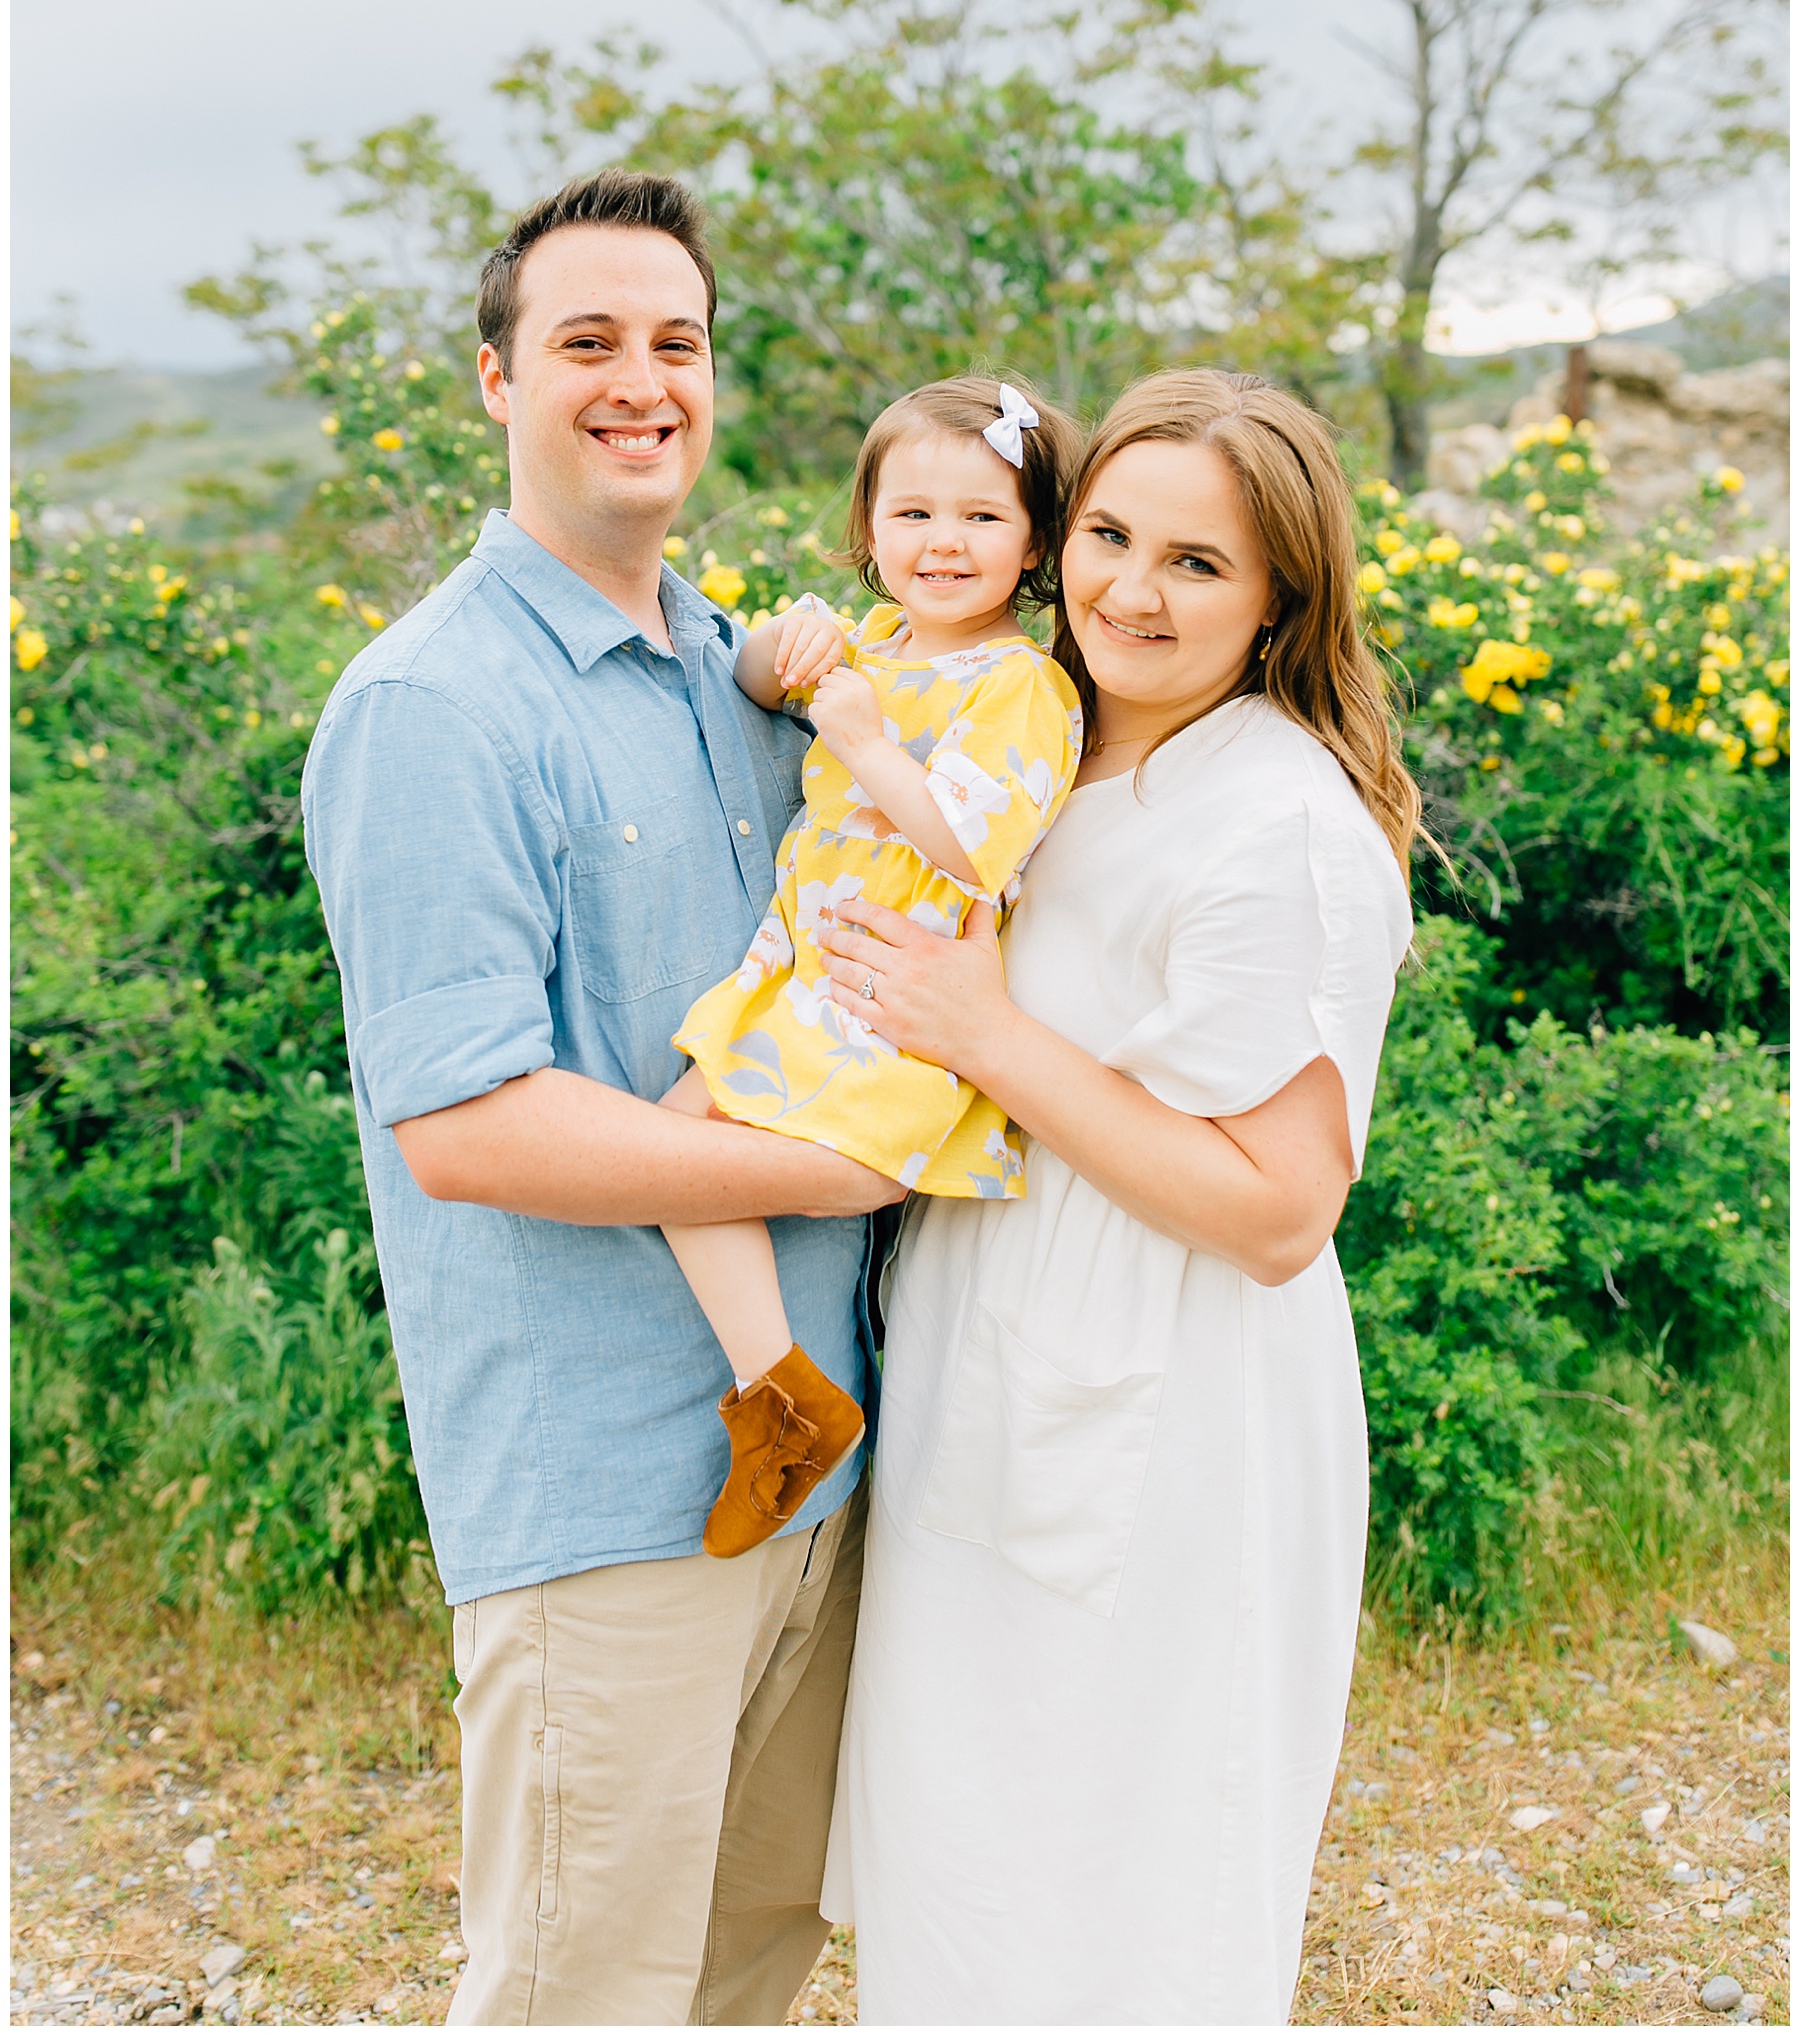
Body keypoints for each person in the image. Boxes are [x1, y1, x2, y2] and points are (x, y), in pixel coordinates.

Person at [301, 168, 903, 2029]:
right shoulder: (435, 709)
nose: (641, 380)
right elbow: (468, 1122)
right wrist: (823, 1166)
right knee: (580, 1999)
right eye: (587, 342)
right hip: (609, 1494)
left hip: (833, 1462)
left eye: (678, 343)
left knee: (745, 1971)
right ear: (495, 379)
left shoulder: (747, 679)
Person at [814, 368, 1419, 2026]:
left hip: (1165, 1420)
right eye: (1110, 535)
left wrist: (989, 1039)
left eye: (1199, 564)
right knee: (965, 1884)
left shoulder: (1276, 819)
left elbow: (1281, 1210)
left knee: (1114, 1902)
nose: (1131, 592)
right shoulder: (1040, 747)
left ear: (1283, 593)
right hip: (993, 1371)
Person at [661, 377, 1084, 1558]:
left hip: (881, 1000)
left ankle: (787, 1405)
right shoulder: (878, 646)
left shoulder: (1021, 685)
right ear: (870, 530)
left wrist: (860, 738)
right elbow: (764, 690)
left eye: (982, 518)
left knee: (689, 1159)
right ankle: (784, 1396)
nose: (942, 542)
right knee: (671, 1140)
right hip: (797, 976)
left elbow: (974, 843)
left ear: (1036, 540)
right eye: (912, 515)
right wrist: (776, 654)